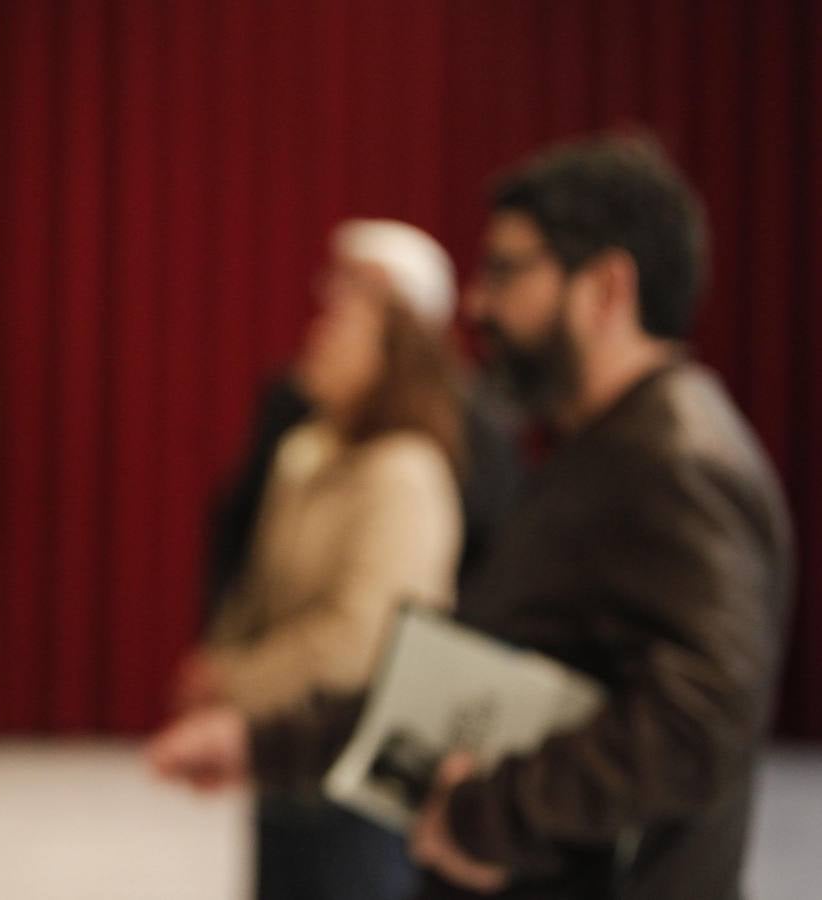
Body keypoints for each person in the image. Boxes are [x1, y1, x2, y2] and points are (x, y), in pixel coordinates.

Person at [407, 137, 793, 900]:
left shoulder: (678, 460)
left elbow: (699, 724)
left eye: (506, 271)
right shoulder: (614, 446)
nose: (477, 304)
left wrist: (491, 816)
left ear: (607, 288)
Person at [150, 219, 467, 900]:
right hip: (288, 751)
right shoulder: (311, 451)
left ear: (393, 357)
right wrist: (223, 662)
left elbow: (359, 639)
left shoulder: (406, 471)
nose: (316, 340)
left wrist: (235, 685)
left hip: (356, 762)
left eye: (339, 331)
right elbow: (258, 585)